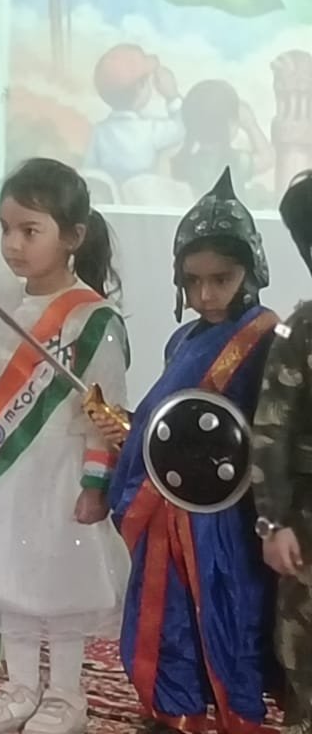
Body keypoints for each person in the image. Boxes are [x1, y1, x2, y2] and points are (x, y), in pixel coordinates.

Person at [0, 158, 130, 734]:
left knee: (57, 582)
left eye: (30, 231)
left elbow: (102, 413)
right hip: (5, 472)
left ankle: (65, 696)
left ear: (73, 237)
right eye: (6, 229)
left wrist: (95, 484)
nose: (13, 244)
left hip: (60, 472)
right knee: (10, 576)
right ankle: (18, 688)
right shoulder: (0, 305)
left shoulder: (93, 320)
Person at [98, 167, 278, 733]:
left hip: (225, 518)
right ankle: (175, 712)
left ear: (251, 270)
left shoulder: (265, 339)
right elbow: (169, 420)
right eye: (193, 281)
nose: (206, 295)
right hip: (165, 509)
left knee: (229, 614)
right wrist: (127, 429)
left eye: (221, 279)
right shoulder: (184, 339)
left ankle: (238, 716)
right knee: (166, 613)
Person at [252, 170, 312, 734]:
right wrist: (273, 523)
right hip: (306, 527)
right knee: (303, 657)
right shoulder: (301, 332)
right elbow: (271, 433)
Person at [84, 43, 184, 191]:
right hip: (144, 198)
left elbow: (89, 172)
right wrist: (172, 96)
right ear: (140, 86)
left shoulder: (99, 131)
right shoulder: (151, 130)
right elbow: (183, 127)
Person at [171, 80, 274, 208]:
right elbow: (267, 159)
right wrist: (251, 125)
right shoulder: (235, 161)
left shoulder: (186, 163)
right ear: (229, 124)